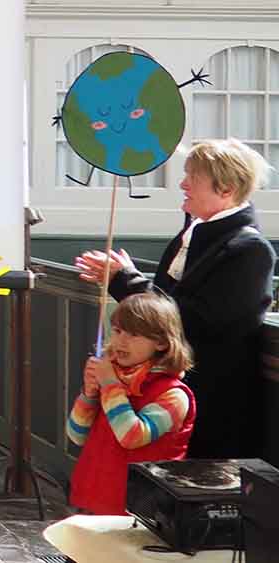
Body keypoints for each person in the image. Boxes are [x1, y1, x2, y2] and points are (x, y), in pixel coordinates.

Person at [75, 139, 276, 459]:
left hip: (212, 405)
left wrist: (124, 279)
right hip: (169, 394)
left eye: (192, 178)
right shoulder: (198, 233)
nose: (183, 185)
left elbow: (193, 320)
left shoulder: (250, 251)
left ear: (225, 189)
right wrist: (124, 278)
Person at [66, 293, 196, 515]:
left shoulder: (173, 394)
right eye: (117, 331)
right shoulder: (115, 380)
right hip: (94, 500)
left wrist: (109, 384)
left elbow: (131, 436)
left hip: (141, 511)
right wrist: (88, 394)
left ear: (162, 342)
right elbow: (76, 435)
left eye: (134, 334)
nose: (120, 341)